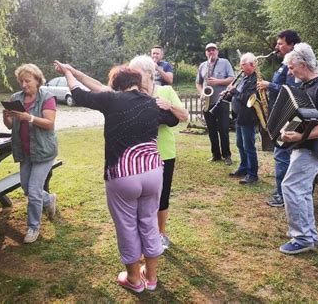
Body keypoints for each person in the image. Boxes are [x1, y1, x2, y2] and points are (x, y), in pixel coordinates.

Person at [54, 61, 179, 292]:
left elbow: (77, 93)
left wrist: (69, 74)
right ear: (137, 83)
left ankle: (133, 279)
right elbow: (173, 119)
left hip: (123, 174)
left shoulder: (111, 100)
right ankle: (151, 278)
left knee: (127, 226)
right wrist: (166, 104)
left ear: (115, 86)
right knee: (149, 222)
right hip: (153, 173)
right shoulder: (152, 103)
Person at [278, 43, 318, 255]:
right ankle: (309, 234)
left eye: (292, 67)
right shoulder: (308, 85)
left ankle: (302, 238)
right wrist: (288, 132)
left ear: (303, 64)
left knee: (291, 187)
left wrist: (301, 136)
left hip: (313, 148)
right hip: (302, 145)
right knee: (302, 190)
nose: (290, 71)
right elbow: (304, 117)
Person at [129, 55, 189, 250]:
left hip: (163, 153)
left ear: (149, 73)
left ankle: (161, 234)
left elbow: (185, 116)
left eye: (136, 72)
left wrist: (169, 105)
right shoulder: (131, 94)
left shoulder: (165, 90)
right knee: (139, 198)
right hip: (138, 156)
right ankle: (143, 233)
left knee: (161, 198)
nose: (134, 77)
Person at [3, 63, 58, 244]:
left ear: (37, 80)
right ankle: (49, 199)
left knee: (33, 191)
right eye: (21, 81)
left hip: (43, 151)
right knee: (27, 187)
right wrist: (6, 116)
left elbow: (49, 123)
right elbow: (11, 125)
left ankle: (33, 227)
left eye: (27, 81)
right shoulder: (16, 97)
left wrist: (30, 118)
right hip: (24, 151)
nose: (24, 85)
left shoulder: (47, 97)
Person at [257, 30, 301, 207]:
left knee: (282, 155)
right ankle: (282, 191)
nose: (277, 46)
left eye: (280, 43)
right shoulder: (286, 63)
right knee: (282, 155)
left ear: (291, 45)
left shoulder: (293, 64)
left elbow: (290, 91)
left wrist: (270, 85)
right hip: (281, 113)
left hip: (287, 116)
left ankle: (283, 195)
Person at [196, 43, 235, 165]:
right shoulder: (203, 65)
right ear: (205, 52)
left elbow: (232, 79)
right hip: (207, 102)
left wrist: (218, 81)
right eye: (208, 50)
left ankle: (227, 155)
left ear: (217, 51)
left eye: (213, 50)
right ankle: (215, 154)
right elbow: (198, 83)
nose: (211, 52)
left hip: (221, 101)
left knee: (223, 129)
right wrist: (202, 92)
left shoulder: (225, 62)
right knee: (211, 130)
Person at [226, 53, 259, 185]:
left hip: (248, 117)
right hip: (239, 117)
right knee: (240, 144)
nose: (240, 67)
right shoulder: (244, 78)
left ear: (251, 65)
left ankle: (253, 174)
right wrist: (228, 94)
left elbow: (248, 98)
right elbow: (237, 96)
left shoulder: (255, 80)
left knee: (249, 146)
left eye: (243, 64)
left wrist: (234, 91)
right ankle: (244, 167)